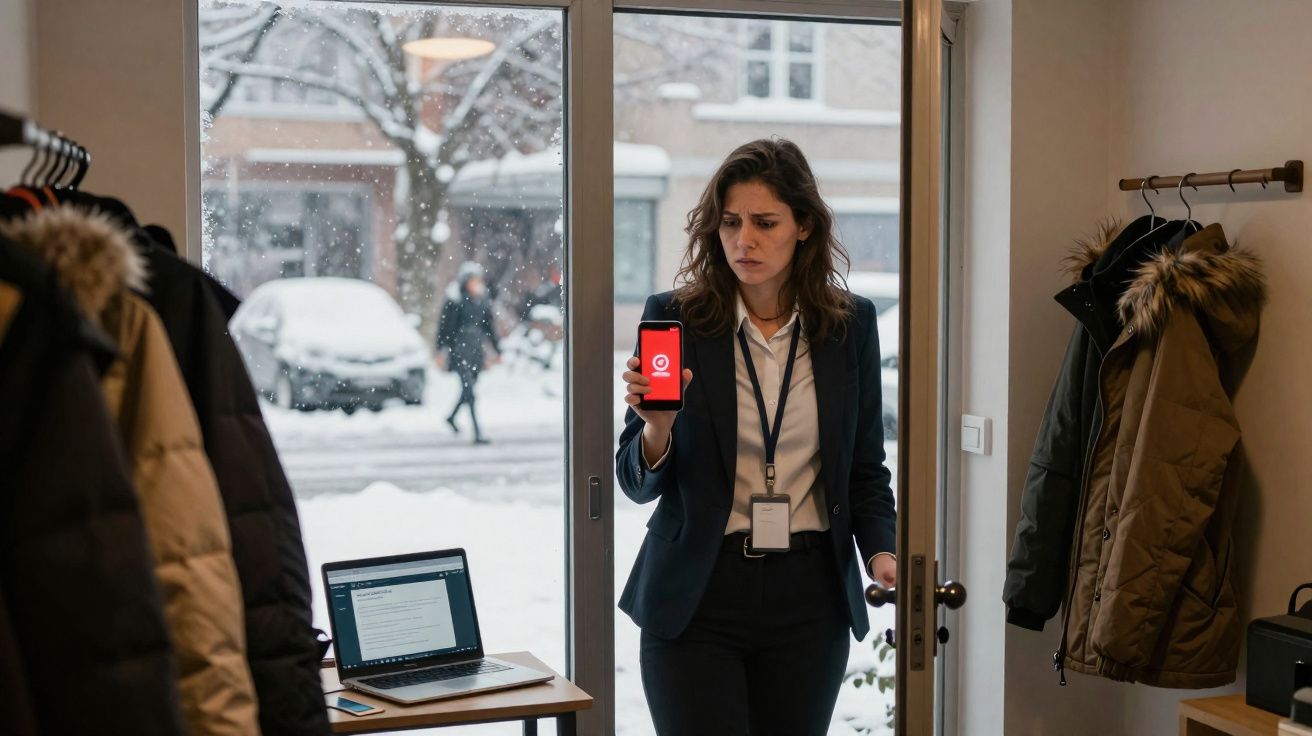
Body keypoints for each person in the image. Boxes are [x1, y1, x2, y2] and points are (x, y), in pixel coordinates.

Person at [616, 138, 898, 736]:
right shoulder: (676, 318)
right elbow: (634, 481)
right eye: (731, 222)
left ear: (804, 227)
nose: (744, 240)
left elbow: (864, 467)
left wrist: (880, 551)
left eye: (765, 223)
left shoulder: (851, 328)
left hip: (809, 597)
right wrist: (656, 432)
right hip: (698, 594)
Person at [437, 261, 501, 444]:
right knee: (470, 392)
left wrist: (497, 349)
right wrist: (441, 350)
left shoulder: (482, 301)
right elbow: (445, 329)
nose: (477, 284)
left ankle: (451, 417)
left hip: (476, 351)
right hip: (460, 351)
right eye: (473, 280)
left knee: (468, 390)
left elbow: (489, 327)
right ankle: (477, 432)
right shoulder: (455, 301)